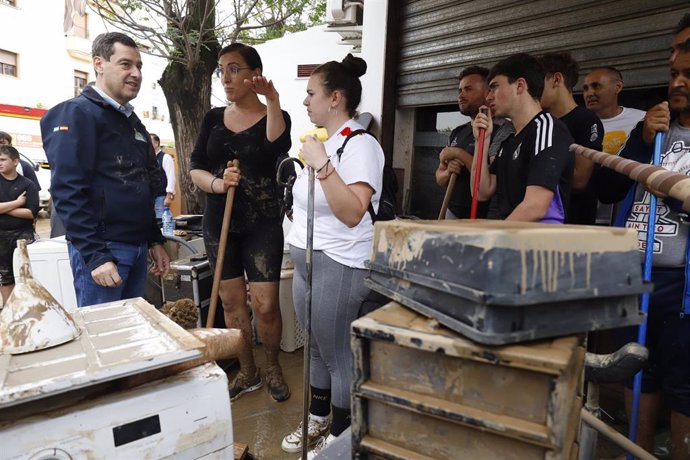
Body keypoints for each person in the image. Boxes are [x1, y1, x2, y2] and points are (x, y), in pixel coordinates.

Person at [282, 54, 384, 458]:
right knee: (317, 348)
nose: (305, 102)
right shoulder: (325, 143)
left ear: (335, 98)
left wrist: (323, 166)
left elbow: (352, 211)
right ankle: (318, 419)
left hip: (340, 262)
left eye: (311, 94)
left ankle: (341, 439)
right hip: (307, 260)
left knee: (339, 354)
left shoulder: (361, 145)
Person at [597, 37, 690, 460]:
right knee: (639, 370)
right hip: (638, 272)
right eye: (674, 74)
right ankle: (636, 449)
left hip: (683, 285)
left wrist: (668, 191)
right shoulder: (651, 129)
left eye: (688, 75)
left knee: (682, 381)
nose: (677, 84)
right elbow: (609, 187)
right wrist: (637, 140)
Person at [189, 43, 292, 403]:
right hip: (220, 220)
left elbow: (277, 147)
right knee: (232, 304)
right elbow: (196, 167)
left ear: (254, 74)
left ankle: (272, 367)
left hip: (262, 222)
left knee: (265, 304)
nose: (226, 77)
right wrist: (218, 184)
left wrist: (273, 100)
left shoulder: (276, 114)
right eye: (222, 70)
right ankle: (247, 371)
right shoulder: (213, 119)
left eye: (234, 69)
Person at [40, 32, 170, 308]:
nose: (135, 73)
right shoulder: (76, 113)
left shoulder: (132, 121)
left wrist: (154, 240)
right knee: (105, 339)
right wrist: (96, 255)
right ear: (98, 64)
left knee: (129, 335)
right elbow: (67, 191)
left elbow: (142, 184)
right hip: (105, 250)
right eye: (125, 64)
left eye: (139, 66)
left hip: (135, 248)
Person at [470, 53, 574, 223]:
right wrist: (482, 140)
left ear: (519, 86)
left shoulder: (546, 128)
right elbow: (481, 191)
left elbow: (535, 206)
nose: (488, 97)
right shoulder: (509, 140)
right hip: (515, 237)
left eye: (494, 87)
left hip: (538, 244)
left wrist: (495, 238)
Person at [434, 66, 513, 219]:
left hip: (484, 219)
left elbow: (489, 178)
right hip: (453, 214)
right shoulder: (458, 132)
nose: (461, 95)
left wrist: (460, 154)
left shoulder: (504, 131)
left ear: (487, 93)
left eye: (468, 89)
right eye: (460, 90)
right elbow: (439, 176)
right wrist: (449, 171)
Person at [539, 52, 604, 225]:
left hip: (575, 226)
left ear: (556, 79)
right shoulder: (540, 122)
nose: (533, 90)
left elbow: (579, 180)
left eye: (538, 82)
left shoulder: (586, 120)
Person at [0, 145, 39, 305]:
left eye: (3, 159)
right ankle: (10, 311)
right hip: (1, 236)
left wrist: (3, 208)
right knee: (5, 276)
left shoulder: (28, 184)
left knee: (25, 274)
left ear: (15, 162)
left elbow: (31, 213)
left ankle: (28, 309)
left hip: (23, 236)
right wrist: (17, 203)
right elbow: (23, 209)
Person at [582, 67, 645, 156]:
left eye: (596, 86)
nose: (589, 93)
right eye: (585, 89)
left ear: (617, 87)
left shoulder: (642, 119)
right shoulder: (578, 125)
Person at [150, 133, 176, 218]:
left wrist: (169, 196)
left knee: (162, 223)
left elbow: (171, 177)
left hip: (161, 197)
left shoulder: (165, 157)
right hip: (150, 198)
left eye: (150, 141)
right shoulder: (149, 159)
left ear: (157, 143)